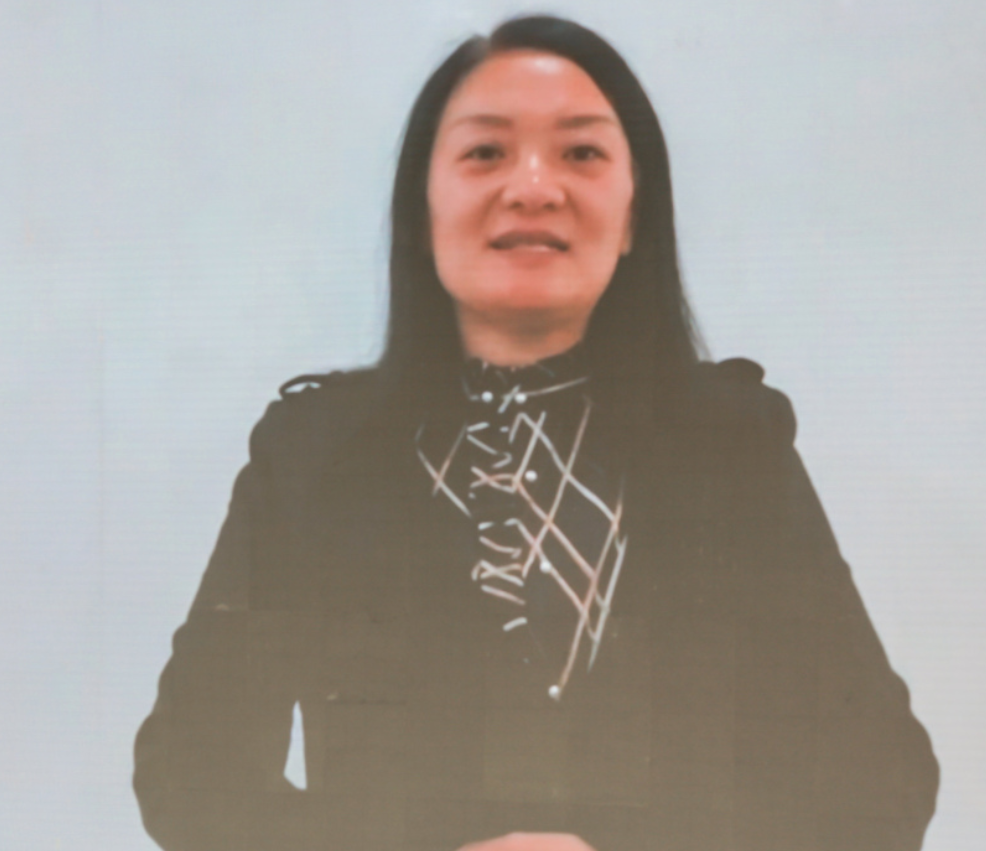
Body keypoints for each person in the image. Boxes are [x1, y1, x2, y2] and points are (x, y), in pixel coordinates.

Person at [133, 15, 939, 851]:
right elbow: (190, 773)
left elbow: (883, 779)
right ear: (421, 210)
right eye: (485, 152)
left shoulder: (734, 449)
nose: (532, 187)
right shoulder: (314, 455)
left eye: (580, 153)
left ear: (635, 215)